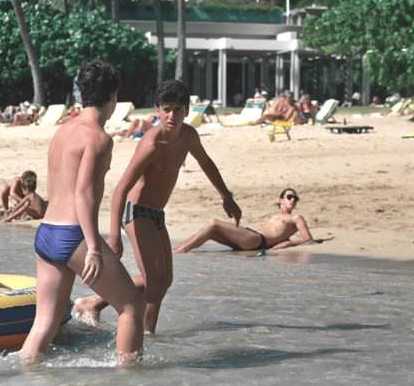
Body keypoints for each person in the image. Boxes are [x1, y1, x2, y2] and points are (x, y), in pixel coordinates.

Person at [72, 79, 242, 334]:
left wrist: (226, 196)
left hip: (156, 214)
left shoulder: (188, 136)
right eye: (167, 109)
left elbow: (207, 164)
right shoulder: (152, 143)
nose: (172, 115)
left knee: (164, 280)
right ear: (158, 110)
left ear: (187, 111)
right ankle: (146, 336)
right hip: (136, 212)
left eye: (178, 109)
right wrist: (114, 236)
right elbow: (121, 189)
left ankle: (93, 302)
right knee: (155, 282)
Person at [19, 60, 145, 366]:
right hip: (73, 234)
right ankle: (130, 375)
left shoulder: (64, 130)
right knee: (132, 307)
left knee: (44, 323)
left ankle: (24, 373)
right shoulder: (98, 138)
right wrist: (93, 248)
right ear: (113, 96)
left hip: (47, 232)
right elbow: (84, 194)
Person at [174, 188, 313, 253]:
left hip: (258, 240)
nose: (293, 200)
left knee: (213, 223)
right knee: (210, 232)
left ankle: (182, 250)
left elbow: (309, 240)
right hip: (252, 237)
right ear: (281, 199)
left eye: (295, 198)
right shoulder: (275, 216)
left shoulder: (296, 218)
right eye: (289, 197)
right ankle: (176, 249)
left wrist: (288, 244)